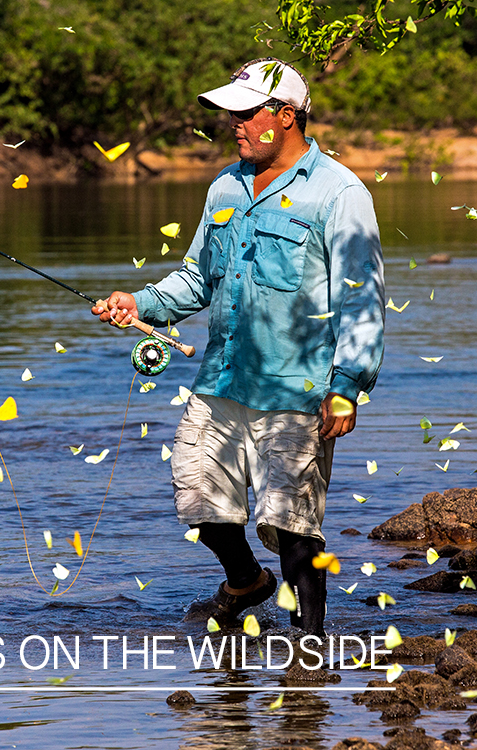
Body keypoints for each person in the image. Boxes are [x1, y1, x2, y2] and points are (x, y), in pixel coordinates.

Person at [94, 58, 384, 637]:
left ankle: (308, 646)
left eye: (246, 113)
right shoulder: (224, 186)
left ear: (286, 116)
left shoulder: (340, 193)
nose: (235, 124)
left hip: (297, 388)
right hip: (222, 381)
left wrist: (347, 386)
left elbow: (362, 299)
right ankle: (247, 582)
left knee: (294, 527)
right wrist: (140, 303)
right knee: (198, 500)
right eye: (231, 115)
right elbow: (197, 279)